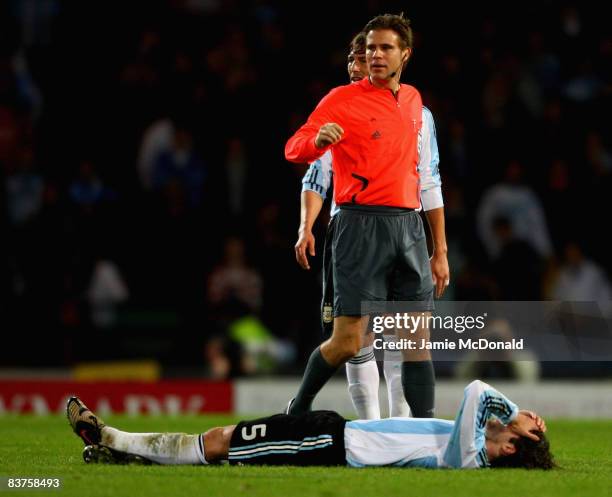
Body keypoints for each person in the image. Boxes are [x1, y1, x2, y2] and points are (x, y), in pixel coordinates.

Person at [285, 14, 450, 418]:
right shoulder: (342, 99)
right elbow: (296, 147)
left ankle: (422, 430)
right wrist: (316, 140)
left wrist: (439, 249)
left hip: (409, 228)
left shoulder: (414, 102)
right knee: (349, 341)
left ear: (404, 54)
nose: (375, 55)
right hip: (359, 225)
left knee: (415, 338)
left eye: (385, 48)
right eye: (371, 48)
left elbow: (428, 180)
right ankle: (298, 408)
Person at [66, 380, 553, 469]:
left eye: (519, 432)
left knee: (220, 443)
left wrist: (512, 413)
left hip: (327, 445)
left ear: (509, 448)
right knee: (223, 441)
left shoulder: (469, 457)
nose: (517, 420)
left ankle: (110, 435)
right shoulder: (469, 448)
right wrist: (516, 421)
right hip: (330, 429)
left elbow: (476, 391)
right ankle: (123, 453)